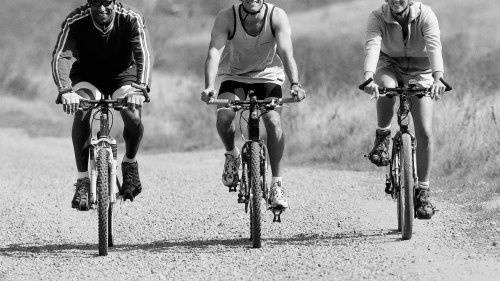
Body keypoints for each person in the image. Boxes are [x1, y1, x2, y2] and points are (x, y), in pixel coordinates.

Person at [200, 0, 306, 210]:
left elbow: (286, 52)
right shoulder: (227, 17)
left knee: (274, 122)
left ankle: (277, 184)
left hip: (268, 78)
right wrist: (209, 86)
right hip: (234, 77)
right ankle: (231, 154)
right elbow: (214, 52)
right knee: (224, 117)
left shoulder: (276, 15)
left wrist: (295, 84)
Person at [51, 0, 153, 210]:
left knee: (132, 114)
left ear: (115, 2)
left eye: (107, 2)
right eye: (96, 2)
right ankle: (82, 180)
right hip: (88, 76)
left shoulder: (131, 18)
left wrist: (140, 89)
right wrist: (65, 90)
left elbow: (144, 53)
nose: (102, 8)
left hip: (123, 75)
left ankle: (130, 163)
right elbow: (61, 56)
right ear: (89, 3)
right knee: (82, 108)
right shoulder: (75, 20)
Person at [362, 0, 447, 219]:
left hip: (422, 70)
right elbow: (372, 45)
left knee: (425, 132)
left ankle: (423, 191)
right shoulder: (377, 16)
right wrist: (369, 76)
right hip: (390, 66)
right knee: (387, 89)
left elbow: (434, 45)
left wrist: (438, 78)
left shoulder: (426, 15)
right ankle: (382, 137)